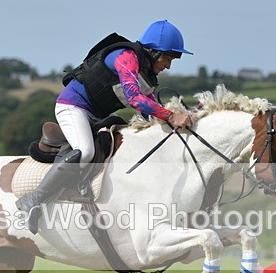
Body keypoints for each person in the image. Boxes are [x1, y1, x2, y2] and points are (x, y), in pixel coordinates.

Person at [16, 19, 194, 234]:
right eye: (168, 57)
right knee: (86, 151)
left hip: (97, 116)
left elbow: (149, 108)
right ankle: (33, 199)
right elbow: (135, 99)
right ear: (153, 51)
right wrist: (171, 116)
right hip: (73, 108)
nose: (168, 65)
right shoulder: (126, 58)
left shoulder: (146, 72)